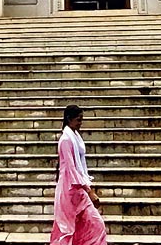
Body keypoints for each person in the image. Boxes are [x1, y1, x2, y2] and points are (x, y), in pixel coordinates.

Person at [51, 104, 107, 245]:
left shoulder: (75, 138)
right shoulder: (65, 140)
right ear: (69, 119)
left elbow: (78, 167)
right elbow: (70, 169)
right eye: (78, 120)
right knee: (67, 230)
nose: (81, 124)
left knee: (96, 224)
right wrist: (89, 191)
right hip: (69, 191)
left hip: (79, 190)